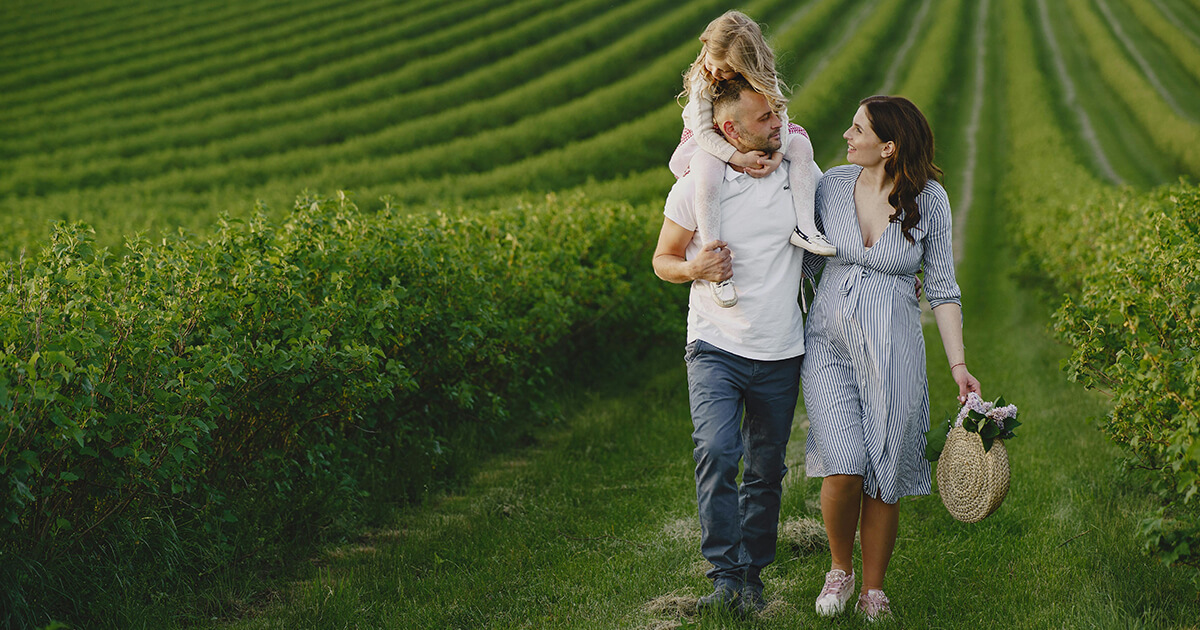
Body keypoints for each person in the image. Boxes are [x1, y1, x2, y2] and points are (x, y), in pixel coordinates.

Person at [800, 95, 982, 621]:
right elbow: (801, 255)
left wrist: (958, 366)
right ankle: (840, 568)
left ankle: (874, 588)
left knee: (887, 464)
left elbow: (943, 289)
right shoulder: (831, 186)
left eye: (857, 129)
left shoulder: (930, 200)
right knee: (844, 462)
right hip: (828, 344)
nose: (846, 136)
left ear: (889, 146)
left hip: (894, 347)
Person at [652, 76, 820, 616]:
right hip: (715, 344)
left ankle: (753, 574)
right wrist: (694, 267)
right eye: (767, 118)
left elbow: (846, 213)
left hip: (780, 349)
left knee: (766, 468)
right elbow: (663, 259)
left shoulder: (798, 174)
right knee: (719, 451)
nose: (781, 124)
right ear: (730, 129)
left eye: (778, 114)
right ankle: (725, 573)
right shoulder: (696, 189)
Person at [669, 10, 834, 310]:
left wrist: (778, 155)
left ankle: (807, 228)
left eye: (726, 70)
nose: (716, 73)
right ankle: (714, 256)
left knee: (802, 147)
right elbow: (705, 133)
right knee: (706, 172)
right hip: (708, 137)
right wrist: (739, 158)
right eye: (712, 61)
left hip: (752, 130)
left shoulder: (762, 75)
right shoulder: (702, 77)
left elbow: (780, 117)